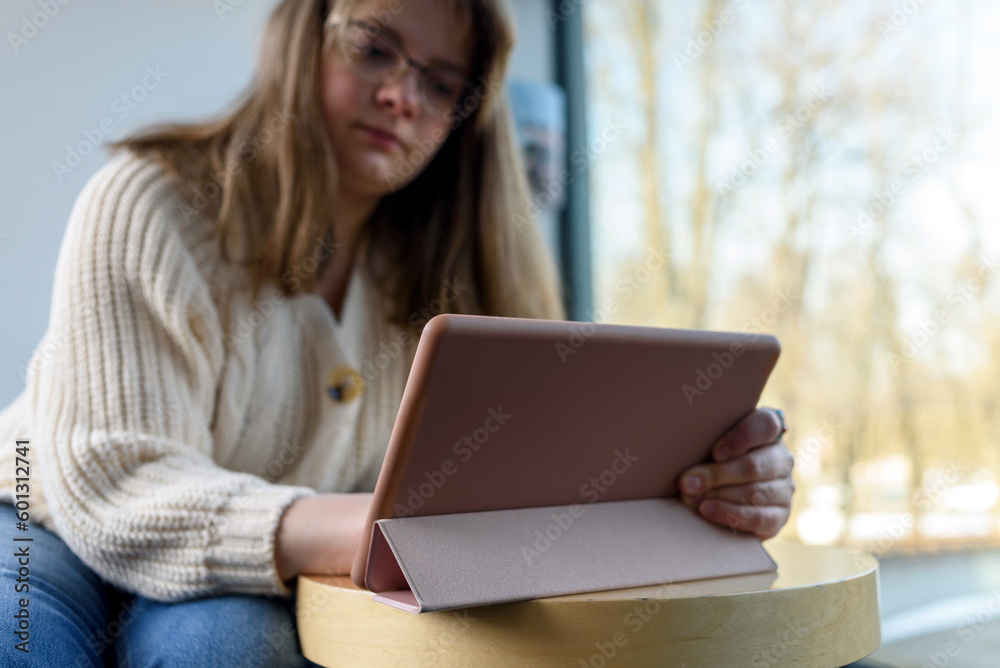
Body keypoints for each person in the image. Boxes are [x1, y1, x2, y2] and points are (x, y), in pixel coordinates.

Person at [0, 0, 795, 665]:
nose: (401, 98)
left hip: (265, 568)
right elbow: (112, 482)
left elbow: (518, 490)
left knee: (231, 650)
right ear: (304, 32)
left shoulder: (457, 276)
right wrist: (370, 530)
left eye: (443, 83)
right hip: (51, 526)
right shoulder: (150, 204)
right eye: (375, 48)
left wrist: (713, 485)